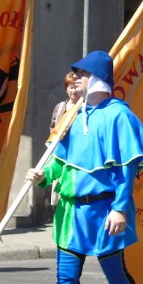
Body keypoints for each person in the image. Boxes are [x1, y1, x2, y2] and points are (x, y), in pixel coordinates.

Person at [22, 50, 143, 284]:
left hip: (104, 210)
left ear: (96, 78)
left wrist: (120, 208)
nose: (76, 79)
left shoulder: (119, 115)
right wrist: (43, 176)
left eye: (81, 74)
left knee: (116, 276)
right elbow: (59, 163)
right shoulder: (71, 114)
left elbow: (128, 168)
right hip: (70, 212)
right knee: (65, 278)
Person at [48, 72, 82, 208]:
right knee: (59, 186)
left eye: (75, 87)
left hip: (76, 154)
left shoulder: (84, 107)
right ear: (66, 89)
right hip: (60, 151)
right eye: (70, 87)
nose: (73, 90)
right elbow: (52, 127)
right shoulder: (60, 107)